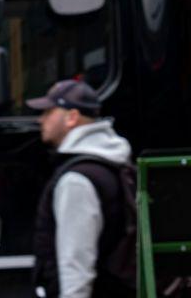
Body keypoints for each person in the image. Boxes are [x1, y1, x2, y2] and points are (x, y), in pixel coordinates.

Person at [26, 79, 135, 298]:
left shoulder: (77, 179)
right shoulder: (112, 165)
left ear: (72, 117)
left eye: (49, 112)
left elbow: (75, 264)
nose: (41, 120)